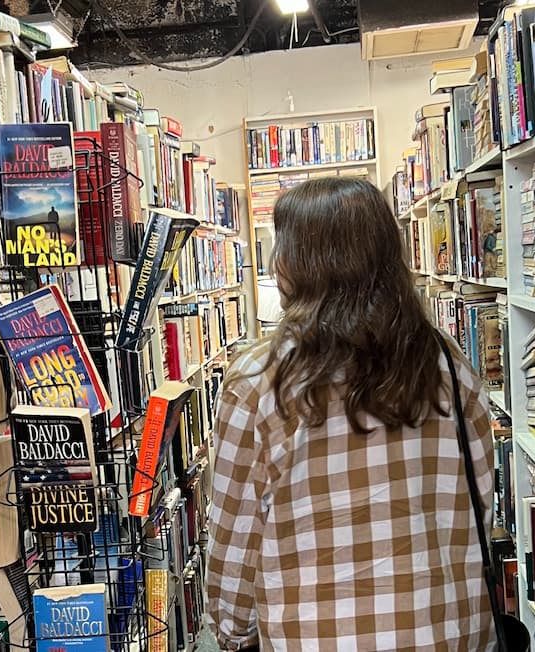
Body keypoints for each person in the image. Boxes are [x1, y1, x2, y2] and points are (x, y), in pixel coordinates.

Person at [206, 177, 497, 651]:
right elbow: (479, 498)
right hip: (446, 631)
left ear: (299, 263)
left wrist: (234, 632)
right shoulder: (446, 363)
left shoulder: (259, 382)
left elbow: (236, 541)